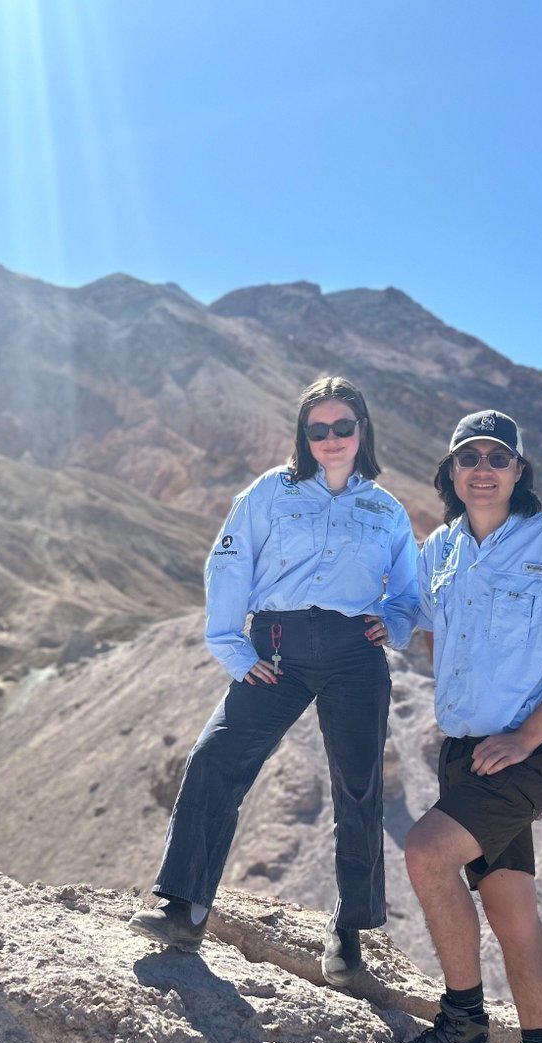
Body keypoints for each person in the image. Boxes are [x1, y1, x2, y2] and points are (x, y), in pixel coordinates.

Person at [371, 409, 542, 1043]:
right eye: (469, 458)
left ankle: (462, 1030)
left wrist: (525, 737)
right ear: (451, 472)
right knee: (511, 907)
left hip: (527, 753)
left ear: (519, 471)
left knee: (426, 853)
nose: (481, 469)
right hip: (464, 754)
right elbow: (411, 616)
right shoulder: (443, 548)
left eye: (496, 457)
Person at [129, 377, 419, 986]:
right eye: (320, 429)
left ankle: (348, 930)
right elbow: (229, 562)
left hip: (352, 654)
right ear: (304, 437)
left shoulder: (385, 509)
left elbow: (410, 591)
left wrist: (390, 623)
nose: (332, 439)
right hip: (277, 649)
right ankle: (185, 907)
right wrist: (232, 648)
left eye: (344, 427)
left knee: (360, 787)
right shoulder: (270, 491)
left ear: (361, 431)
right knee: (216, 757)